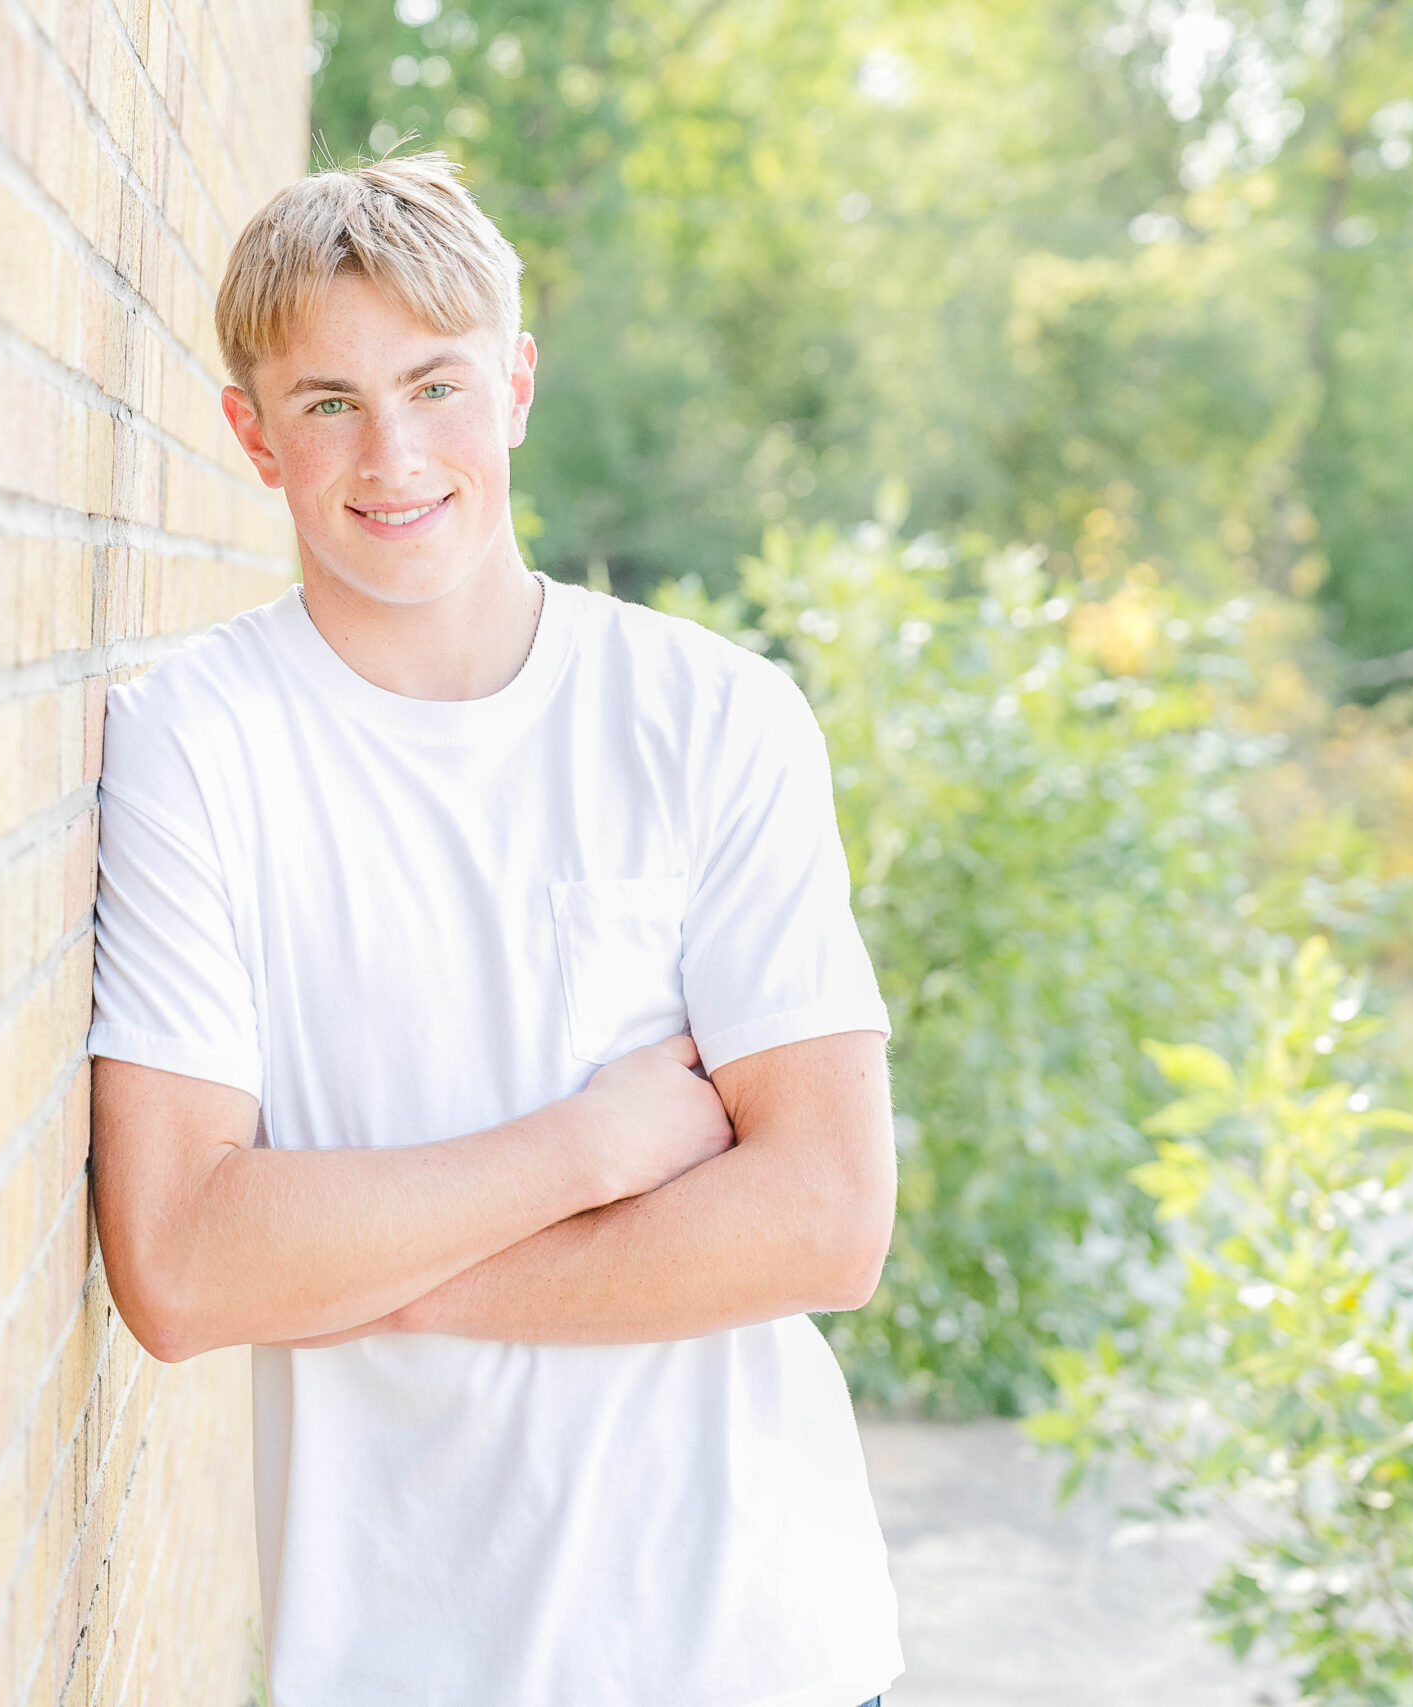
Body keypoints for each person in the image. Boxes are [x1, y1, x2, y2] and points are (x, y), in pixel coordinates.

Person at [84, 152, 902, 1707]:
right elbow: (184, 1265)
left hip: (757, 1647)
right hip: (403, 1661)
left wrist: (364, 1271)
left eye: (435, 384)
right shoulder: (199, 743)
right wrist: (587, 1157)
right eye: (327, 401)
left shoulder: (712, 719)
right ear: (254, 434)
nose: (393, 454)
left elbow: (824, 1219)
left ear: (514, 384)